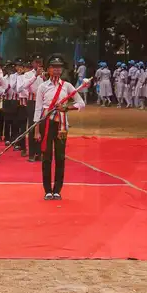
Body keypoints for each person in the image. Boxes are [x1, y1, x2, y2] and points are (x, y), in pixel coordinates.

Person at [34, 55, 85, 200]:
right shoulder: (42, 87)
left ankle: (57, 189)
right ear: (48, 69)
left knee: (60, 157)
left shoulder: (67, 86)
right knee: (47, 156)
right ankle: (47, 190)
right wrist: (36, 130)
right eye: (54, 67)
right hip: (46, 123)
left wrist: (67, 108)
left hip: (61, 125)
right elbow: (38, 110)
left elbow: (80, 103)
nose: (57, 70)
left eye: (59, 67)